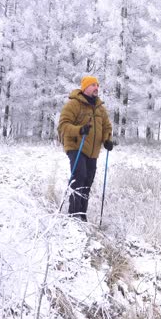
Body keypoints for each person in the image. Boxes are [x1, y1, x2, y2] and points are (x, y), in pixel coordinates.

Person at [58, 75, 114, 221]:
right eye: (93, 85)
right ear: (85, 88)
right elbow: (63, 125)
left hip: (93, 150)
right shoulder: (74, 104)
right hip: (76, 145)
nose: (96, 88)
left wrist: (107, 140)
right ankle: (73, 215)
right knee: (80, 176)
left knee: (88, 180)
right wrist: (80, 130)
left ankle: (82, 216)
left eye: (97, 85)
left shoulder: (99, 108)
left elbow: (107, 126)